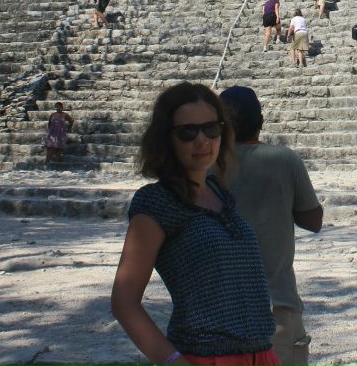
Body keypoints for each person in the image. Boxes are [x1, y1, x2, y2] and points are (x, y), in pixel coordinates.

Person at [111, 83, 279, 366]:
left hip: (261, 354)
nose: (202, 140)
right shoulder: (157, 202)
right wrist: (174, 361)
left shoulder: (219, 192)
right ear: (167, 139)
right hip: (206, 358)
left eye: (211, 128)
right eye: (188, 132)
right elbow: (124, 302)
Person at [219, 87, 322, 366]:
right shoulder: (284, 160)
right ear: (261, 121)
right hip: (276, 301)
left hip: (216, 305)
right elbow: (313, 221)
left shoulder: (205, 167)